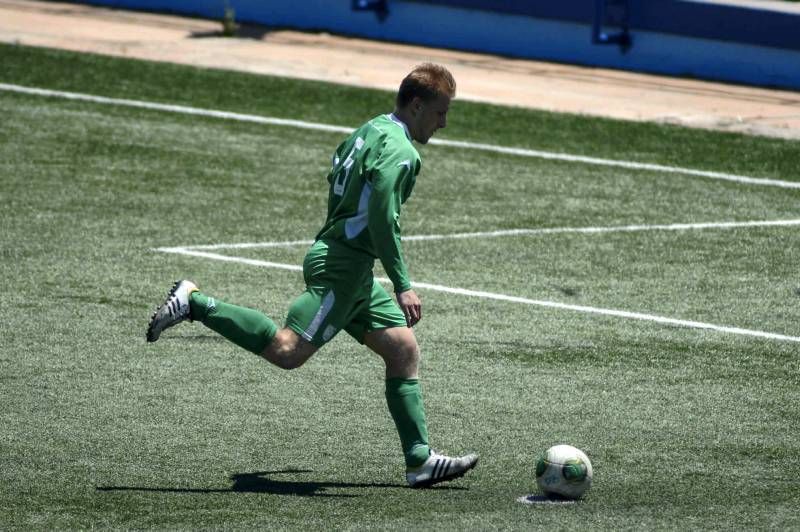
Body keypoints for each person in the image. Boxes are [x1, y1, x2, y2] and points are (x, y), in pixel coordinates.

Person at [146, 63, 478, 488]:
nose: (444, 123)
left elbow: (337, 173)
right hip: (342, 268)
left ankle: (419, 461)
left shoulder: (370, 130)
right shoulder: (403, 153)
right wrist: (403, 283)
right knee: (288, 351)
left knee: (401, 349)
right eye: (440, 113)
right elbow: (382, 220)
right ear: (417, 106)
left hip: (351, 267)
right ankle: (194, 303)